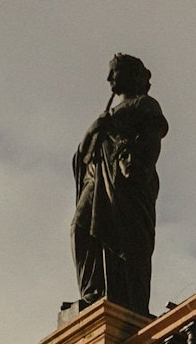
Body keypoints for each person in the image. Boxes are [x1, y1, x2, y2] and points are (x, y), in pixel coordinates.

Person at [72, 54, 169, 314]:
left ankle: (128, 299)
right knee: (81, 228)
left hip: (125, 182)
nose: (109, 78)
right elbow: (83, 155)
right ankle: (93, 291)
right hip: (97, 178)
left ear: (132, 75)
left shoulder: (145, 105)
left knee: (128, 238)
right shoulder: (106, 114)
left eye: (114, 72)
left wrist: (136, 167)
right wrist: (93, 129)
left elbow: (151, 142)